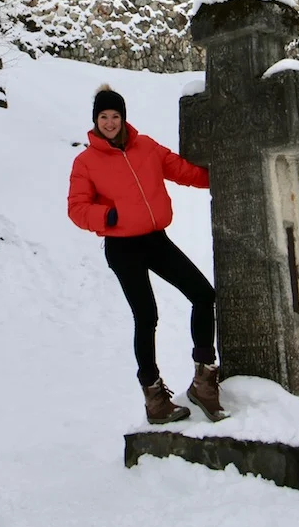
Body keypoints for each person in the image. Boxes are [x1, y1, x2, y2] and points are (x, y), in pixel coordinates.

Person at [68, 84, 226, 424]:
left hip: (156, 239)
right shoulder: (86, 162)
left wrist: (225, 178)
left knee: (202, 294)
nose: (110, 122)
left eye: (115, 116)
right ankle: (154, 398)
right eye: (103, 117)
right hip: (122, 247)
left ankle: (204, 380)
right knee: (147, 316)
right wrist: (108, 217)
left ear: (124, 117)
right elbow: (77, 208)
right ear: (95, 120)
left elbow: (182, 170)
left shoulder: (146, 147)